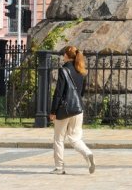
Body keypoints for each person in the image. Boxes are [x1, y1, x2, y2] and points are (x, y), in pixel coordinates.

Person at [49, 45, 95, 174]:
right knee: (75, 138)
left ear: (67, 56)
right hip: (77, 109)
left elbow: (58, 92)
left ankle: (59, 168)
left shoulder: (63, 70)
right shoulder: (81, 71)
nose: (63, 56)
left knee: (59, 139)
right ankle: (88, 153)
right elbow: (82, 92)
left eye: (64, 54)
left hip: (63, 110)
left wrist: (53, 111)